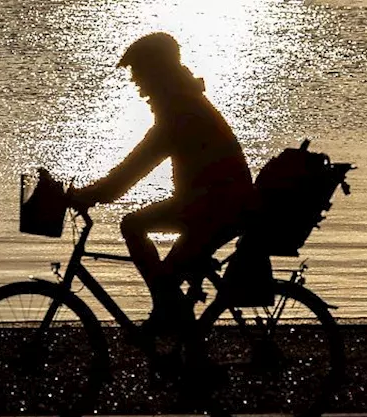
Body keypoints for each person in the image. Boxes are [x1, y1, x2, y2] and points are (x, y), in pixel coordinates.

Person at [68, 32, 255, 332]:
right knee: (164, 276)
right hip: (208, 204)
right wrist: (95, 192)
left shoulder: (181, 113)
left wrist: (91, 194)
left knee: (140, 237)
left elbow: (135, 168)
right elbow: (136, 165)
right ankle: (181, 335)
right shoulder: (185, 103)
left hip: (217, 207)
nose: (135, 82)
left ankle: (172, 318)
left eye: (138, 71)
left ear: (157, 70)